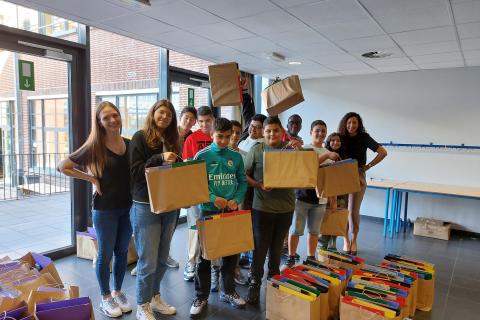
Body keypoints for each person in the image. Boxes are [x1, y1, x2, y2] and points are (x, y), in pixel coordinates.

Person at [57, 101, 132, 318]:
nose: (112, 120)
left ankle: (118, 291)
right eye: (106, 117)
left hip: (128, 207)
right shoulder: (93, 147)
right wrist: (90, 177)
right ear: (99, 123)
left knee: (122, 252)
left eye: (115, 115)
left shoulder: (129, 143)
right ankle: (106, 297)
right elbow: (63, 167)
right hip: (105, 209)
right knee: (105, 254)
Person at [190, 117, 248, 317]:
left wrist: (237, 199)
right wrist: (213, 197)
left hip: (231, 211)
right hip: (208, 210)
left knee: (231, 255)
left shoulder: (236, 156)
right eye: (219, 136)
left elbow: (242, 181)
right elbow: (196, 184)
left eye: (227, 136)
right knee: (205, 256)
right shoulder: (202, 155)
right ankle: (201, 296)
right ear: (212, 134)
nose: (223, 140)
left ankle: (229, 291)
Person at [129, 99, 180, 319]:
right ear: (153, 113)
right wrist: (159, 158)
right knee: (148, 260)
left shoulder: (173, 139)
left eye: (169, 115)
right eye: (161, 113)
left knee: (162, 258)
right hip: (145, 204)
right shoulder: (140, 137)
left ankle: (155, 297)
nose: (165, 118)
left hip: (170, 204)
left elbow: (178, 171)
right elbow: (135, 172)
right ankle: (142, 304)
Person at [244, 116, 297, 305]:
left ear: (281, 131)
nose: (272, 134)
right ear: (263, 132)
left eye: (275, 130)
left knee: (276, 249)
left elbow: (302, 170)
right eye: (268, 131)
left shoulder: (291, 149)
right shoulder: (257, 150)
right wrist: (258, 184)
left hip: (286, 207)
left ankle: (274, 283)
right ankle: (254, 285)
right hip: (262, 208)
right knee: (260, 249)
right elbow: (244, 175)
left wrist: (300, 149)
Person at [285, 120, 340, 268]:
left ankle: (311, 257)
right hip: (302, 197)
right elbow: (310, 165)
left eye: (323, 130)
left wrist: (333, 199)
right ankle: (291, 256)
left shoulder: (330, 154)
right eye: (317, 130)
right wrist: (327, 155)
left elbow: (332, 179)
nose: (320, 133)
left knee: (314, 231)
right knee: (296, 229)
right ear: (311, 133)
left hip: (321, 200)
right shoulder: (304, 149)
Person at [338, 112, 387, 255]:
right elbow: (330, 149)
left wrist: (369, 166)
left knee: (353, 210)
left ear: (359, 124)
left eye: (354, 122)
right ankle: (345, 239)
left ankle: (354, 239)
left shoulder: (364, 137)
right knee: (343, 209)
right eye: (348, 123)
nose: (351, 125)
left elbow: (383, 152)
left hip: (357, 174)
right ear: (344, 124)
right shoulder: (340, 137)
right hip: (340, 174)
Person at [182, 106, 214, 282]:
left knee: (212, 227)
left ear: (213, 120)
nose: (204, 124)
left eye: (207, 121)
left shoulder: (218, 137)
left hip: (216, 191)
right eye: (200, 121)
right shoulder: (192, 139)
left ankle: (214, 263)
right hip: (196, 189)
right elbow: (187, 166)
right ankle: (191, 262)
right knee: (194, 226)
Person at [318, 132, 348, 250]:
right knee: (326, 218)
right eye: (333, 140)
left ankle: (333, 245)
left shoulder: (344, 157)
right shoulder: (325, 155)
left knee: (335, 217)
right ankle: (323, 244)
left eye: (338, 140)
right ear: (329, 142)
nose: (336, 142)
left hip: (340, 193)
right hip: (326, 192)